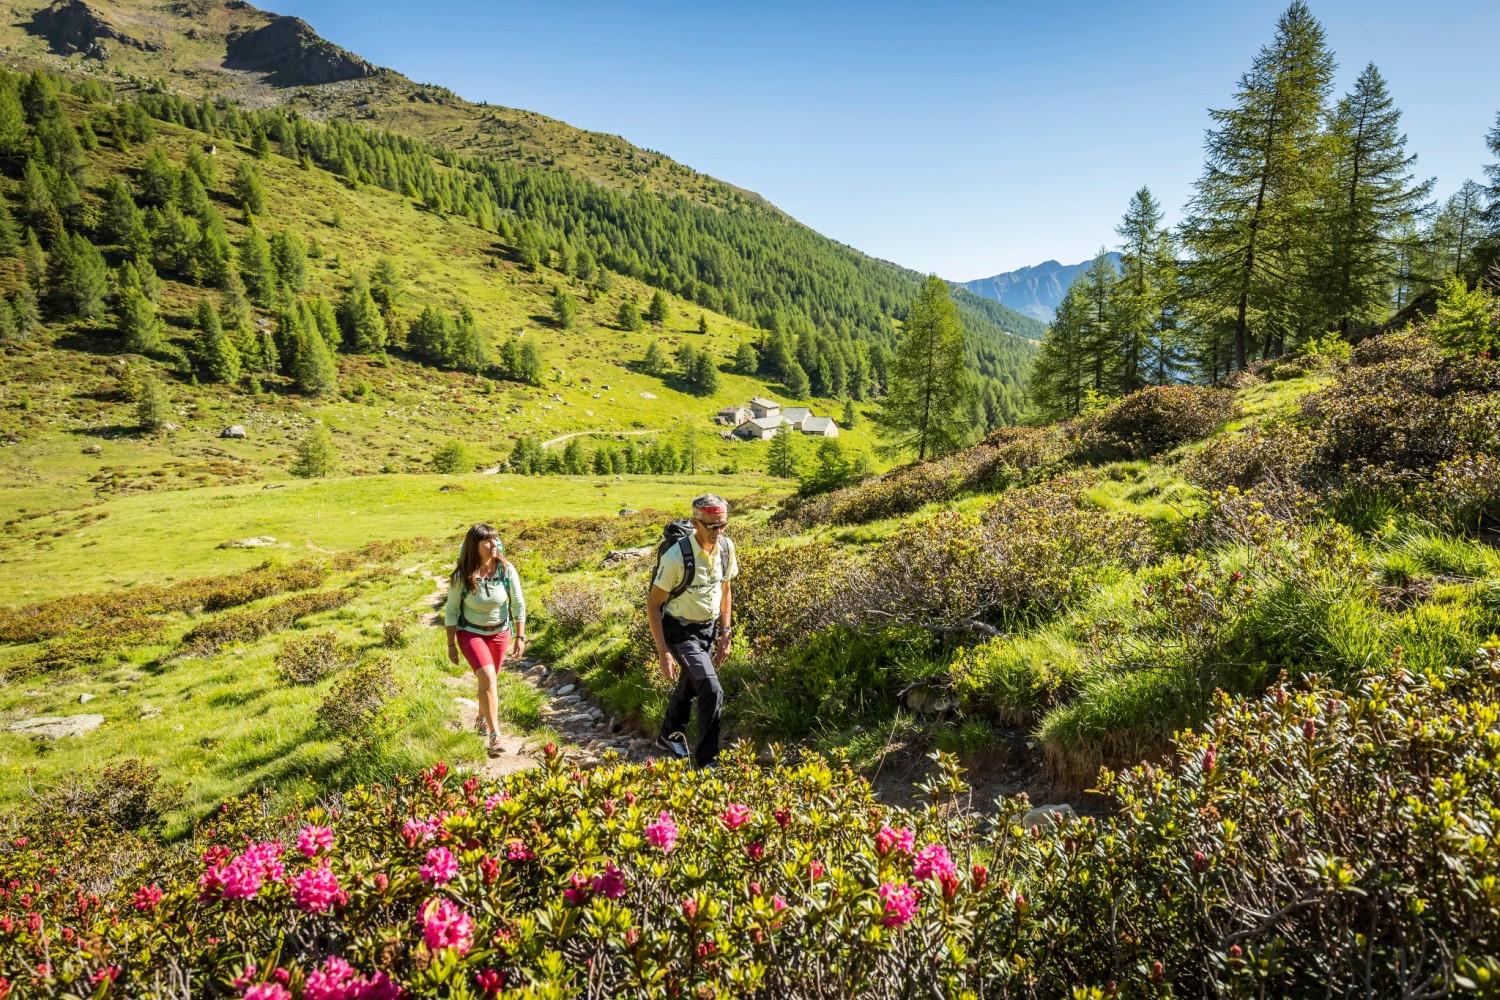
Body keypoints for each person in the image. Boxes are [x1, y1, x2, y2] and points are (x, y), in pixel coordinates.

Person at [647, 493, 738, 768]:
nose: (718, 532)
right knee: (711, 688)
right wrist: (664, 653)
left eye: (723, 525)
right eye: (711, 526)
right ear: (695, 522)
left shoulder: (726, 548)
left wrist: (726, 632)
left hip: (709, 629)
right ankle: (706, 759)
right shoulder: (677, 557)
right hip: (679, 630)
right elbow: (653, 606)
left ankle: (668, 735)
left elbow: (726, 589)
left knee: (689, 684)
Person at [444, 524, 526, 756]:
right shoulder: (462, 575)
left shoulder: (506, 570)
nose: (494, 545)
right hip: (471, 633)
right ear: (475, 546)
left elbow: (518, 603)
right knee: (489, 678)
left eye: (495, 540)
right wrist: (451, 644)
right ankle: (495, 735)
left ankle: (481, 717)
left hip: (501, 633)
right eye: (487, 542)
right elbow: (451, 611)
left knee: (489, 681)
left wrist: (520, 636)